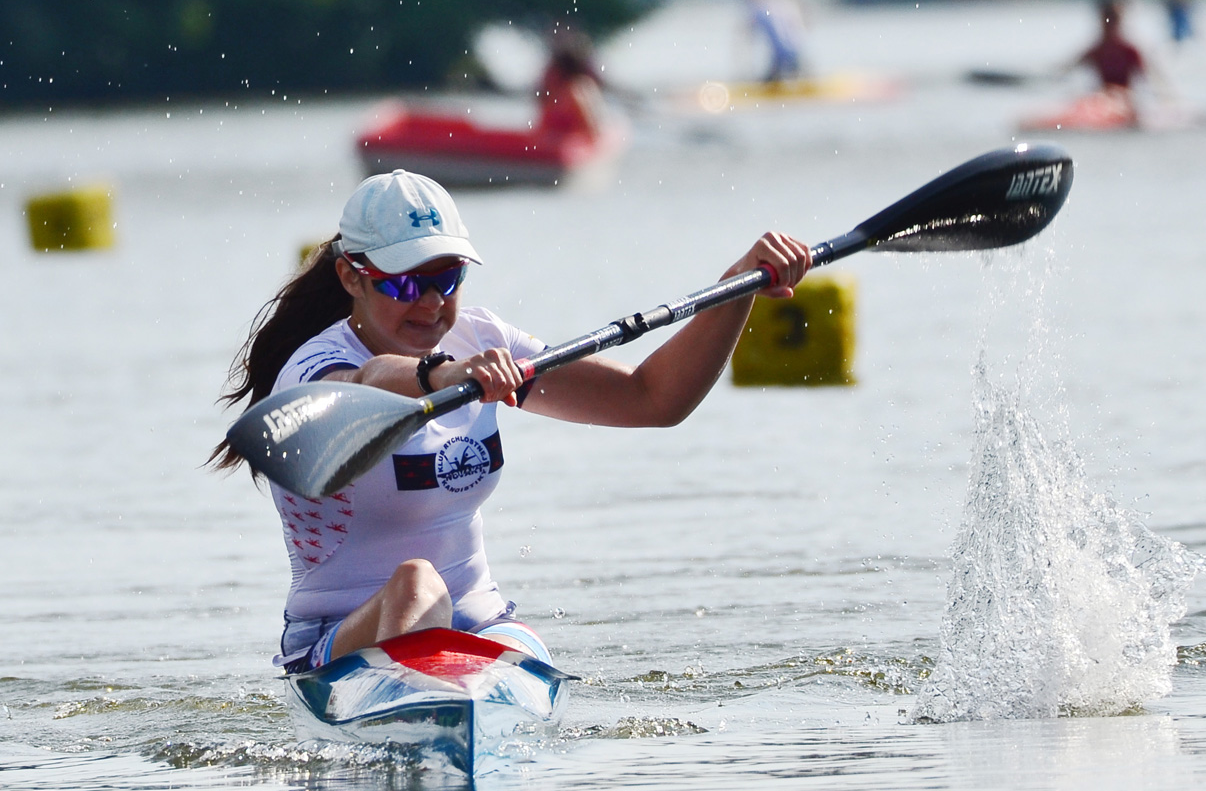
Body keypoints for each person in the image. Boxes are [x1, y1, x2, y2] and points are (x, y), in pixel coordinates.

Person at [212, 169, 811, 672]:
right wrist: (439, 375)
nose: (430, 302)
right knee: (416, 584)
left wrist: (736, 291)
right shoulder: (316, 367)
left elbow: (652, 400)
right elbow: (366, 384)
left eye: (447, 279)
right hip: (337, 641)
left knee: (532, 656)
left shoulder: (484, 338)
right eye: (404, 282)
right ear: (351, 277)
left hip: (480, 618)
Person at [741, 0, 806, 84]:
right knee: (796, 77)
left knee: (768, 82)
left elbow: (748, 34)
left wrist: (745, 69)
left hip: (781, 54)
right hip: (797, 49)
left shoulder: (757, 5)